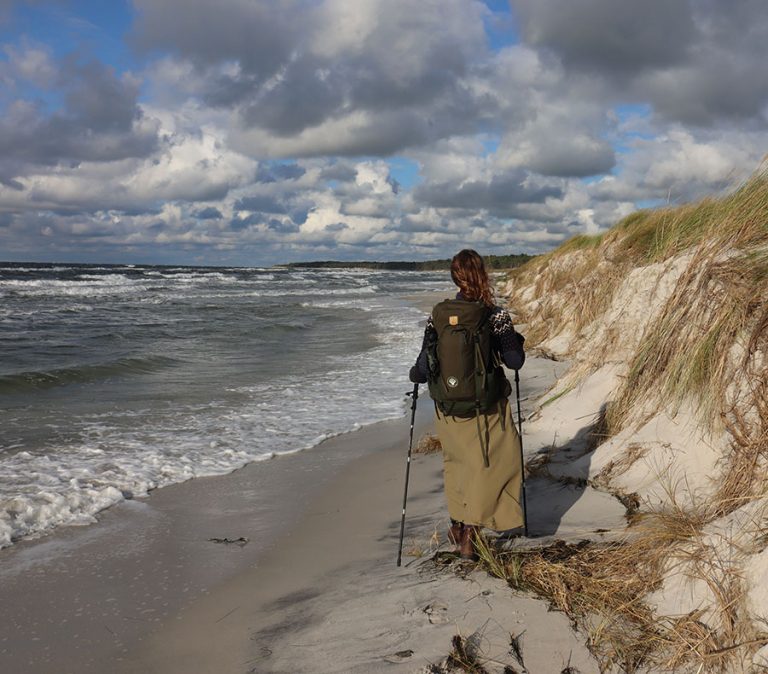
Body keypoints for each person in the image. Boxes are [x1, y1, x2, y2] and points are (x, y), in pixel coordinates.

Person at [409, 249, 525, 561]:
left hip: (447, 408)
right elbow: (514, 361)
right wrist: (517, 342)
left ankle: (457, 527)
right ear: (483, 274)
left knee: (457, 465)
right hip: (485, 407)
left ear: (454, 277)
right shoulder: (494, 315)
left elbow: (423, 365)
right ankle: (471, 534)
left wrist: (414, 376)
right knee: (496, 465)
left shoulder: (438, 316)